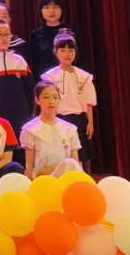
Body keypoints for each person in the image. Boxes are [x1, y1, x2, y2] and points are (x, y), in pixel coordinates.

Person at [0, 19, 34, 165]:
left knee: (21, 152)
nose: (4, 38)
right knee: (1, 152)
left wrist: (31, 113)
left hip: (21, 116)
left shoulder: (20, 60)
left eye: (7, 34)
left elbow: (30, 89)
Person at [40, 33, 96, 169]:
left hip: (80, 120)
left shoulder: (84, 76)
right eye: (63, 50)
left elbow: (89, 102)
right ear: (55, 52)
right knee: (61, 153)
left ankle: (85, 177)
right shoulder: (50, 77)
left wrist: (90, 122)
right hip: (58, 119)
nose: (67, 54)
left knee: (83, 154)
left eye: (71, 50)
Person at [20, 81, 83, 179]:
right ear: (37, 100)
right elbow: (29, 165)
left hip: (66, 177)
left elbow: (75, 162)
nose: (51, 101)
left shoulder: (69, 129)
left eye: (55, 97)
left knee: (70, 163)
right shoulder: (30, 129)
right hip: (43, 179)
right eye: (46, 97)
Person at [29, 0, 83, 75]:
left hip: (71, 77)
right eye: (46, 7)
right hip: (46, 80)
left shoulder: (72, 31)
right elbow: (35, 64)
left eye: (55, 7)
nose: (51, 11)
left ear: (61, 9)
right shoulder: (35, 35)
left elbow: (81, 59)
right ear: (40, 10)